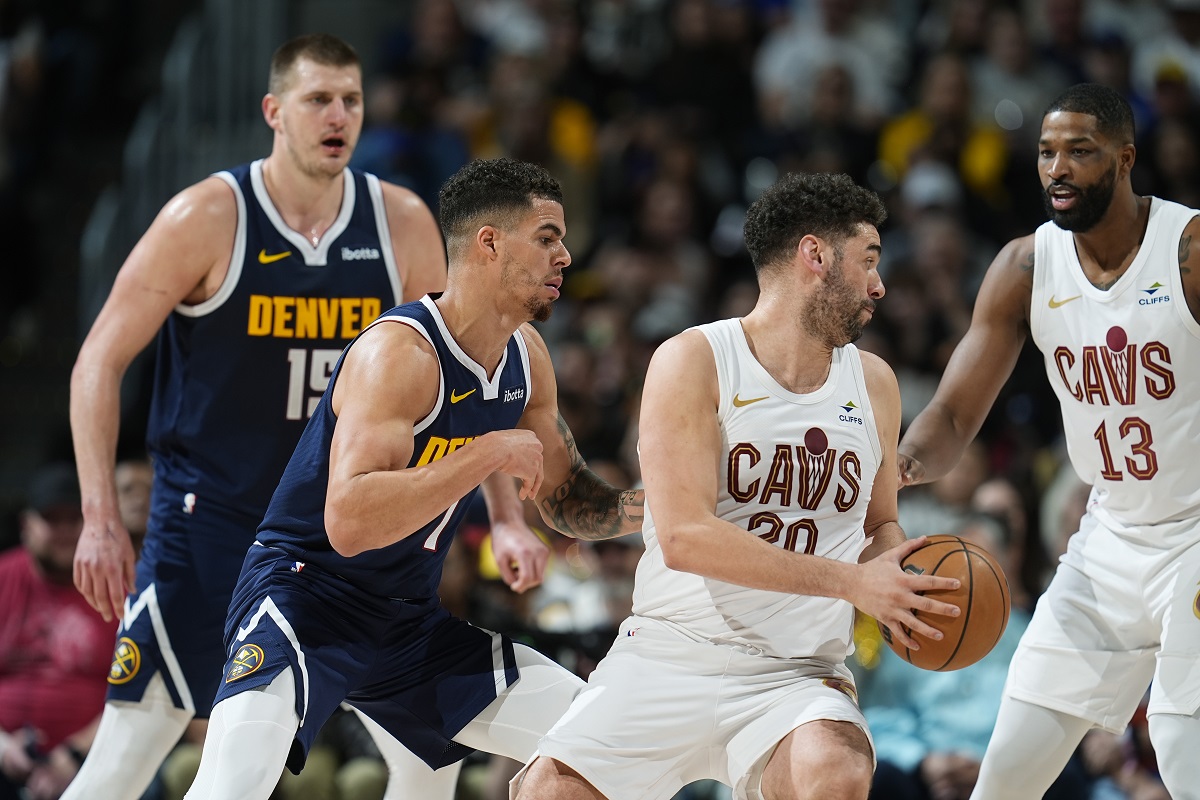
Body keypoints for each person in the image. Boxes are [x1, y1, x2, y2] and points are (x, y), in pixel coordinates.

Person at [65, 33, 545, 800]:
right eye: (318, 99)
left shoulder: (399, 222)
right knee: (125, 762)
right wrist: (98, 516)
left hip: (342, 552)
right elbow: (98, 361)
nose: (338, 115)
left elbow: (474, 366)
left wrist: (508, 517)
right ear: (273, 112)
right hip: (210, 531)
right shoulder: (207, 216)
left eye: (351, 99)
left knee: (430, 763)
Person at [180, 156, 644, 800]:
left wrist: (661, 506)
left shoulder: (527, 357)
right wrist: (485, 454)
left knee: (599, 739)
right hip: (304, 599)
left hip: (407, 620)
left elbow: (567, 499)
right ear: (489, 243)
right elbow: (348, 522)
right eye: (547, 238)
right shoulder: (399, 353)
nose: (565, 255)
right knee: (233, 782)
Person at [515, 171, 962, 800]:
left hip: (799, 674)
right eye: (868, 260)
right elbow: (686, 538)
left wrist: (900, 585)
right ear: (815, 256)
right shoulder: (694, 359)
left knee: (836, 770)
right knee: (548, 793)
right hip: (671, 651)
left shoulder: (876, 382)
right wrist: (855, 584)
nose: (878, 285)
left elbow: (878, 524)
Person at [896, 83, 1200, 800]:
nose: (1057, 168)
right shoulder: (1025, 268)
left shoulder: (1187, 250)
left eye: (1080, 152)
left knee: (1185, 748)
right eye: (1045, 153)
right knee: (1007, 771)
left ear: (1125, 160)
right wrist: (898, 469)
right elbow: (953, 415)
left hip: (1195, 531)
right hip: (1109, 538)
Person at [0, 463, 115, 800]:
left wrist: (74, 755)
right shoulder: (4, 577)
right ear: (26, 525)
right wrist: (3, 747)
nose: (64, 531)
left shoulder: (116, 588)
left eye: (73, 520)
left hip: (93, 758)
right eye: (52, 520)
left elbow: (134, 691)